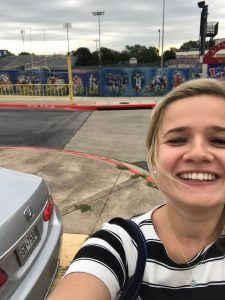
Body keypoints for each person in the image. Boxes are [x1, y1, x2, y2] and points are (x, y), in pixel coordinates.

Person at [48, 78, 225, 300]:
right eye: (178, 139)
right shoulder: (118, 247)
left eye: (220, 141)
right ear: (153, 156)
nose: (198, 154)